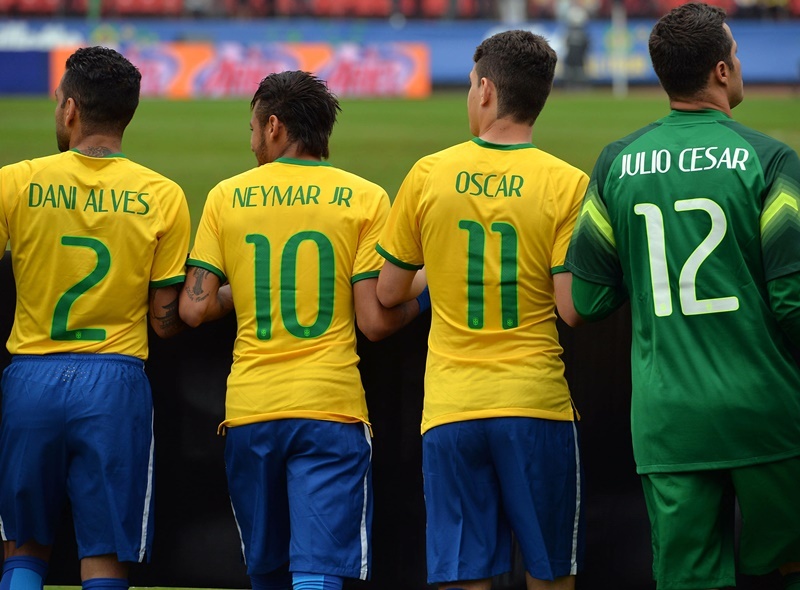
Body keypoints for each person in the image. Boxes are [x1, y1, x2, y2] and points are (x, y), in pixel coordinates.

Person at [564, 3, 800, 589]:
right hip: (767, 415)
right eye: (736, 54)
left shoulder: (616, 163)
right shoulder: (772, 161)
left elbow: (587, 301)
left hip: (669, 422)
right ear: (721, 71)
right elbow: (793, 300)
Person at [178, 70, 425, 590]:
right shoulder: (364, 197)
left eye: (252, 129)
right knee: (319, 570)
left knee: (266, 571)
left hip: (250, 410)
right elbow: (374, 321)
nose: (251, 141)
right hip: (329, 407)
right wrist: (425, 295)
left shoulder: (226, 196)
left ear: (273, 126)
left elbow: (194, 310)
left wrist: (244, 288)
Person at [375, 30, 588, 590]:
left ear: (487, 91)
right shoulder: (568, 183)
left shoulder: (429, 172)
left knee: (466, 577)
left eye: (471, 86)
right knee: (550, 575)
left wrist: (440, 268)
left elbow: (389, 293)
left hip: (452, 408)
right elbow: (571, 309)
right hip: (535, 404)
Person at [0, 46, 191, 590]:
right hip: (114, 382)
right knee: (105, 550)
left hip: (31, 377)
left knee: (23, 544)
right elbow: (165, 321)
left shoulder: (14, 182)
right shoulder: (164, 195)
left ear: (70, 109)